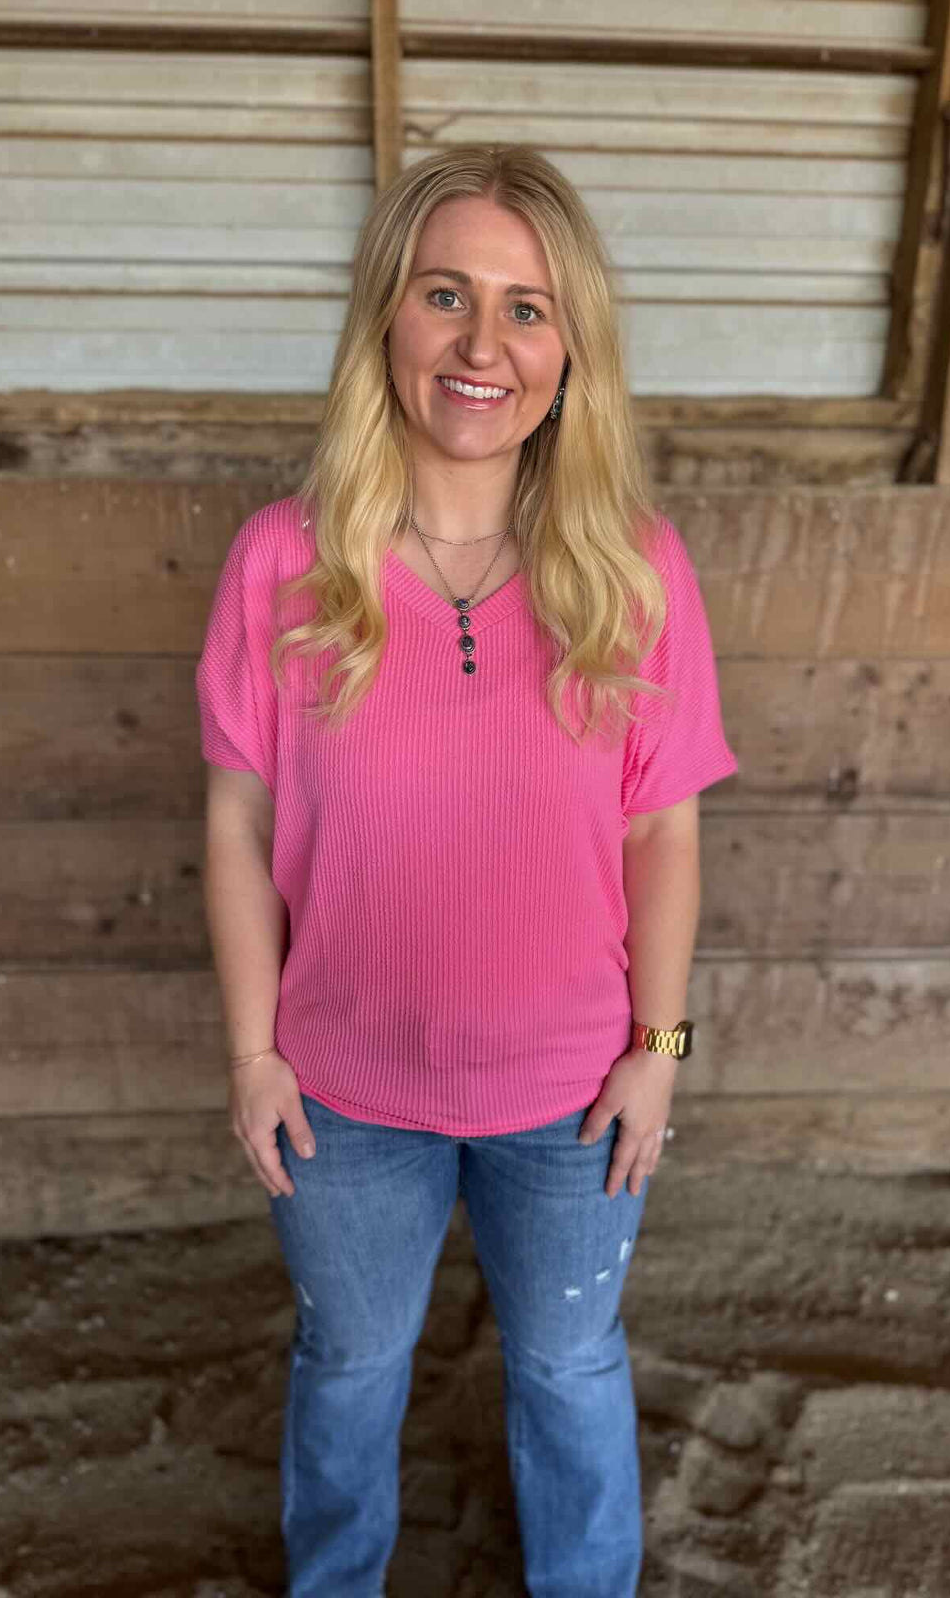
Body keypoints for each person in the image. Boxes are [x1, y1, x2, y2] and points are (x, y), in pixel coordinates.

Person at [195, 142, 737, 1598]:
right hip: (342, 1088)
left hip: (572, 1091)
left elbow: (663, 830)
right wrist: (252, 1055)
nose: (482, 343)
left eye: (527, 308)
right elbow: (239, 822)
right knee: (351, 1360)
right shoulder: (282, 563)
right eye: (447, 294)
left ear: (570, 352)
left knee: (568, 1361)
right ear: (387, 314)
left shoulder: (634, 568)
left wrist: (659, 1053)